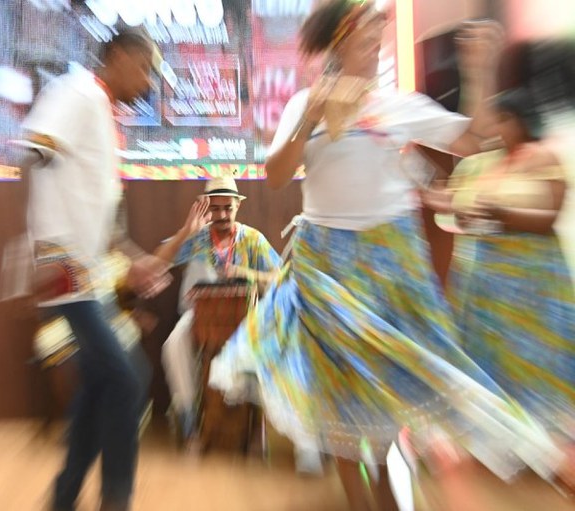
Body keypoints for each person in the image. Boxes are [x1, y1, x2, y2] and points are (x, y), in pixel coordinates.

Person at [205, 2, 570, 510]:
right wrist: (308, 119)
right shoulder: (306, 103)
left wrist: (477, 70)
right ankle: (364, 500)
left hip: (388, 267)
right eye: (368, 37)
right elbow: (277, 175)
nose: (377, 46)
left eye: (380, 38)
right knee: (336, 394)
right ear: (339, 43)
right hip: (326, 265)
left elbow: (474, 139)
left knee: (384, 390)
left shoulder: (396, 105)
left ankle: (395, 489)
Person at [20, 28, 171, 511]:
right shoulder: (77, 91)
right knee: (129, 378)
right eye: (145, 68)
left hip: (87, 271)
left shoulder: (100, 110)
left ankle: (64, 498)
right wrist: (45, 246)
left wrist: (134, 257)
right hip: (67, 269)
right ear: (121, 56)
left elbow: (94, 211)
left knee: (101, 382)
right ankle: (116, 500)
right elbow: (36, 147)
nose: (147, 83)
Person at [422, 87, 575, 443]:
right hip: (488, 279)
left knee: (535, 353)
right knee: (495, 354)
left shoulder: (544, 156)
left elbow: (549, 218)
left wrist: (501, 214)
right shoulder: (484, 163)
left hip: (533, 277)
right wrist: (442, 202)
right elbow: (458, 210)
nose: (496, 128)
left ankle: (546, 434)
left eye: (503, 119)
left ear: (523, 120)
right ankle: (504, 434)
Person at [153, 176, 316, 461]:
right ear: (205, 209)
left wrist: (245, 274)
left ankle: (258, 433)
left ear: (237, 206)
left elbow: (282, 279)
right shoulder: (198, 239)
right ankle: (191, 424)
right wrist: (184, 232)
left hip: (246, 318)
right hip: (199, 315)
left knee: (270, 351)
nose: (221, 215)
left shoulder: (252, 239)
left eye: (227, 208)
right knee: (173, 345)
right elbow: (159, 259)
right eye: (214, 209)